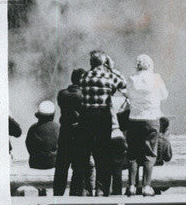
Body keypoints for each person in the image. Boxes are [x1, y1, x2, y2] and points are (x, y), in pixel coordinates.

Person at [78, 50, 127, 195]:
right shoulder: (109, 75)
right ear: (104, 63)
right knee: (102, 154)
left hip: (86, 118)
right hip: (103, 117)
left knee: (86, 154)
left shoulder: (84, 76)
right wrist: (111, 67)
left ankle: (85, 188)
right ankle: (101, 188)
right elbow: (123, 83)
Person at [125, 54, 168, 196]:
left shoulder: (131, 78)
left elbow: (129, 95)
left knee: (133, 153)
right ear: (150, 65)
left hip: (134, 118)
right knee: (150, 153)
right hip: (151, 118)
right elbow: (164, 95)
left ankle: (131, 185)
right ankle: (146, 186)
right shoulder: (156, 78)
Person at [54, 68, 90, 196]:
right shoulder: (84, 95)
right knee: (79, 166)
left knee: (62, 166)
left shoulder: (62, 94)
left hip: (65, 132)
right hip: (80, 132)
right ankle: (75, 194)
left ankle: (57, 194)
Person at [25, 101, 60, 170]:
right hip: (53, 163)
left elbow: (28, 145)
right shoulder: (58, 127)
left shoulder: (33, 128)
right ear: (53, 115)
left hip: (36, 163)